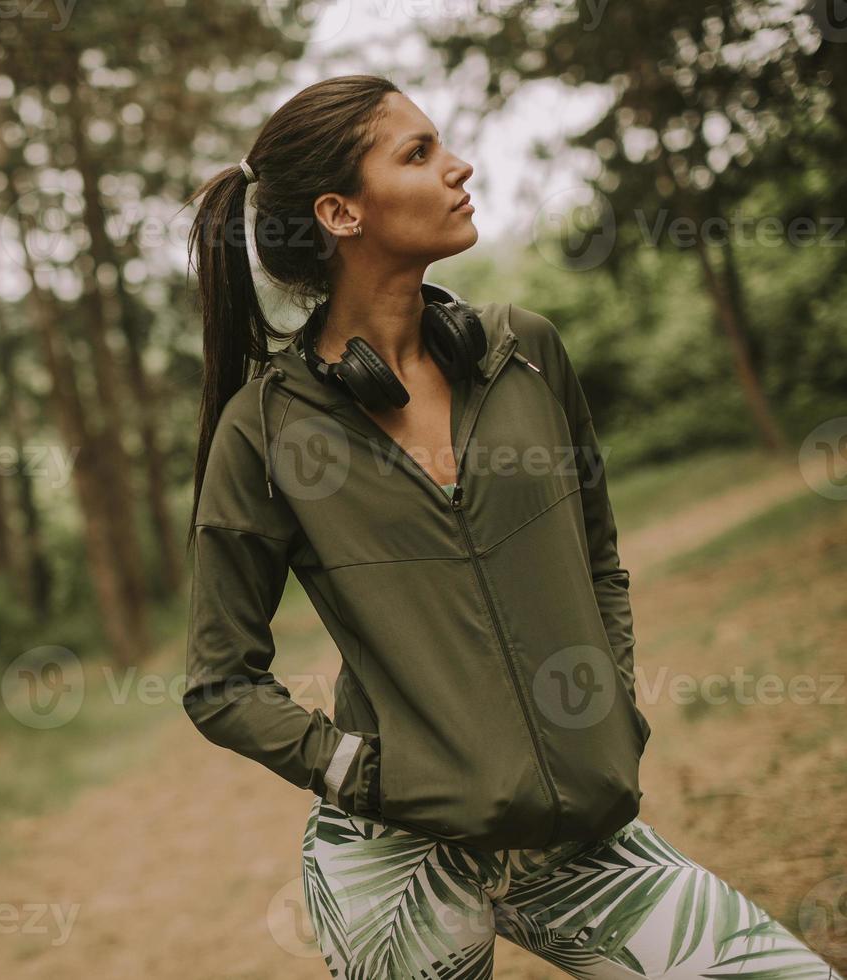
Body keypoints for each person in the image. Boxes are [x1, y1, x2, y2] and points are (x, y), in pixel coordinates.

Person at [180, 74, 838, 979]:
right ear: (340, 213)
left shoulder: (525, 354)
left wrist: (608, 713)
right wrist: (359, 775)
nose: (459, 167)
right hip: (394, 861)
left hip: (576, 838)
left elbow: (599, 560)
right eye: (418, 153)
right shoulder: (266, 431)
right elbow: (219, 683)